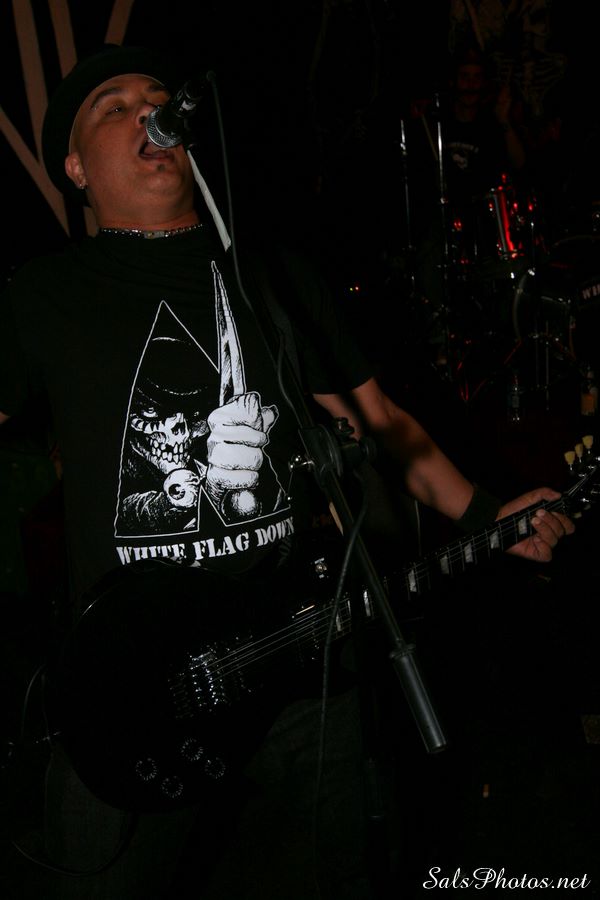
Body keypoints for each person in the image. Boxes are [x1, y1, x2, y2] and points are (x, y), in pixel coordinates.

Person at [0, 43, 573, 900]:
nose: (149, 111)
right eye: (113, 107)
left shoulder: (269, 276)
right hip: (131, 680)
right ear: (76, 168)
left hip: (293, 653)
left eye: (158, 97)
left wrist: (490, 513)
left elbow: (379, 422)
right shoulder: (42, 294)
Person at [406, 45, 530, 355]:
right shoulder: (436, 122)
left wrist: (505, 121)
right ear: (453, 81)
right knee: (428, 254)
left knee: (516, 263)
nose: (470, 85)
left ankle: (507, 341)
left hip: (483, 222)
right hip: (444, 218)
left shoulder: (491, 123)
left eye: (476, 77)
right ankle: (439, 344)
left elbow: (520, 163)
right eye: (464, 77)